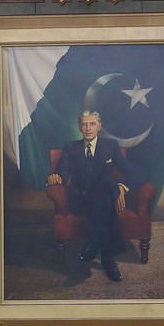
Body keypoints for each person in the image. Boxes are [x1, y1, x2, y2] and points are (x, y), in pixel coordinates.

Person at [47, 110, 139, 282]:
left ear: (99, 126)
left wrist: (122, 188)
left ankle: (95, 244)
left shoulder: (111, 146)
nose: (88, 128)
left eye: (92, 124)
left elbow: (133, 174)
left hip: (104, 196)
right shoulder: (70, 147)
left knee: (107, 183)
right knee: (107, 194)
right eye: (84, 124)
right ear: (79, 127)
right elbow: (62, 173)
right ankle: (107, 256)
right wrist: (56, 177)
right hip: (81, 200)